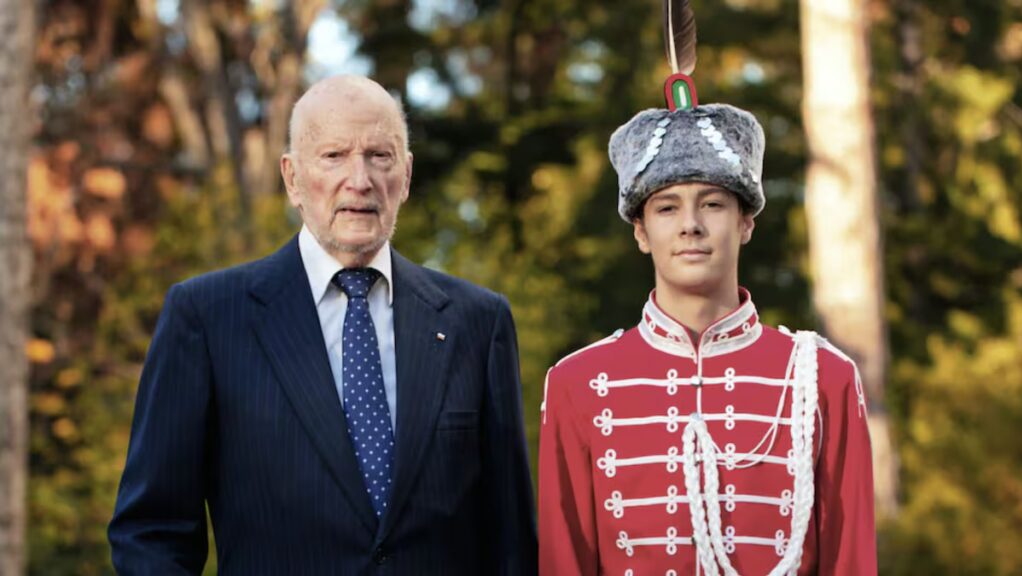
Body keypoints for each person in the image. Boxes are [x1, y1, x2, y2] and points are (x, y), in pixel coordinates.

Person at [109, 75, 537, 575]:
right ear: (292, 177)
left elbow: (511, 542)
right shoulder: (207, 318)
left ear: (406, 175)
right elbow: (150, 535)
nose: (360, 179)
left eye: (380, 156)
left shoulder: (477, 323)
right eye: (334, 155)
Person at [537, 103, 877, 575]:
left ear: (746, 222)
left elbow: (851, 561)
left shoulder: (824, 378)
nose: (690, 225)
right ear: (640, 231)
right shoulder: (576, 382)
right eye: (667, 207)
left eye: (713, 204)